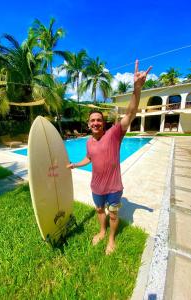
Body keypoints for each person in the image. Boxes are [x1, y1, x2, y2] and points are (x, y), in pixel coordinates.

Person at [67, 60, 152, 255]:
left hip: (114, 187)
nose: (96, 123)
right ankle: (102, 231)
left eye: (99, 120)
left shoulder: (114, 134)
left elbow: (130, 113)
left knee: (113, 214)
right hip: (96, 187)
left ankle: (112, 239)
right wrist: (75, 164)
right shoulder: (88, 142)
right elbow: (89, 158)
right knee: (99, 211)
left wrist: (136, 89)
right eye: (92, 120)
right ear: (88, 124)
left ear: (103, 123)